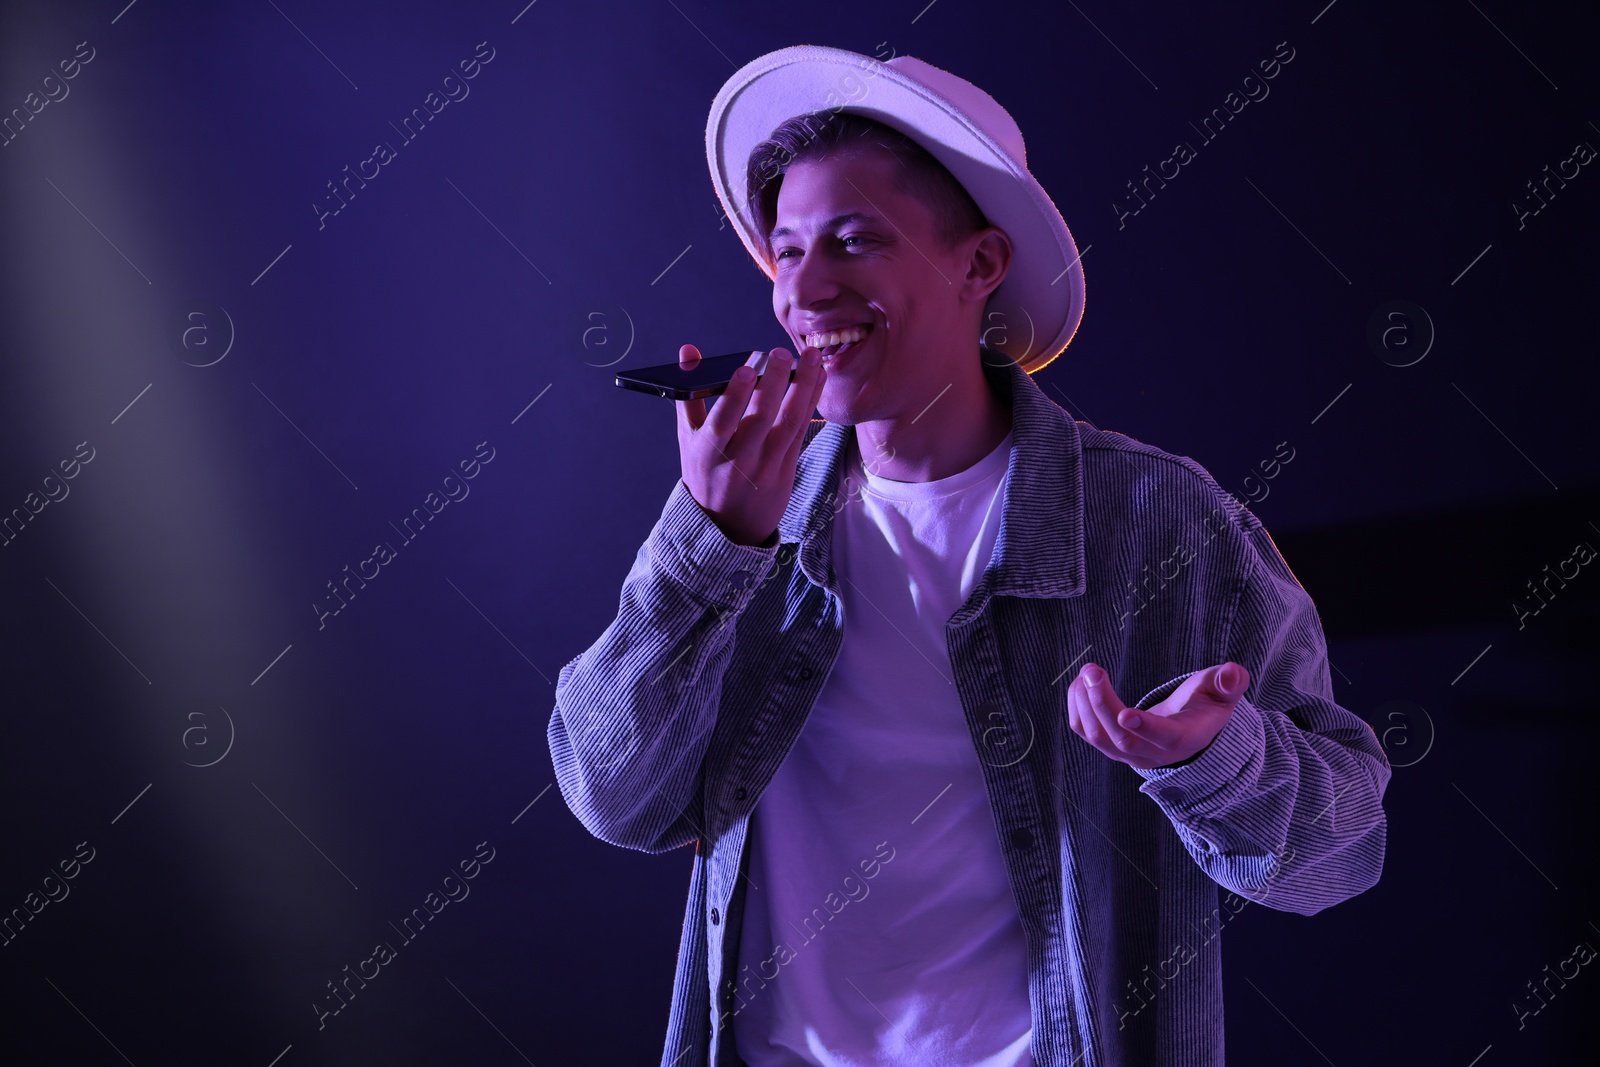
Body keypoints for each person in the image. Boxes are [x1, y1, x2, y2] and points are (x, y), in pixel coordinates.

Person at [548, 45, 1390, 1067]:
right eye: (786, 250)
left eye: (853, 242)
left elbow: (1339, 855)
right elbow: (613, 798)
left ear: (980, 264)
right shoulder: (741, 522)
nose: (803, 289)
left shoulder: (1164, 521)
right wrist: (708, 543)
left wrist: (1213, 756)